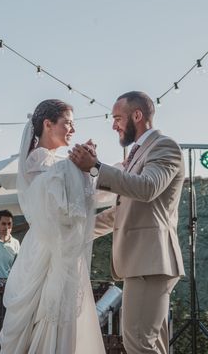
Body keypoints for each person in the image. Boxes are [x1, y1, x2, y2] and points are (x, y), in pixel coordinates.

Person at [69, 91, 185, 354]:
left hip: (150, 260)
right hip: (144, 262)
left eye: (117, 118)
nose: (113, 125)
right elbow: (121, 212)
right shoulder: (137, 154)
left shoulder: (164, 146)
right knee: (153, 344)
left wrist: (96, 167)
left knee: (137, 343)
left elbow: (147, 187)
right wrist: (76, 231)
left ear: (137, 115)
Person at [0, 99, 105, 354]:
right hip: (48, 250)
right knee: (49, 314)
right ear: (48, 124)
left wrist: (85, 168)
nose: (72, 130)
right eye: (67, 123)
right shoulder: (41, 161)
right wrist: (84, 167)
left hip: (55, 246)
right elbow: (63, 208)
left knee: (57, 314)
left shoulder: (56, 163)